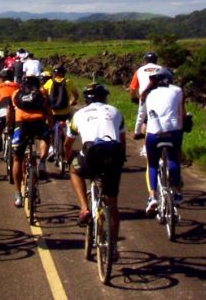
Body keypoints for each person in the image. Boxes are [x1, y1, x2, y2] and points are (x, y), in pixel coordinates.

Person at [65, 83, 126, 259]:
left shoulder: (79, 114)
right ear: (105, 97)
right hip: (113, 156)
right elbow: (122, 143)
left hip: (90, 155)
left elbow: (68, 143)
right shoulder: (115, 112)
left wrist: (68, 157)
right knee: (112, 204)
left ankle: (84, 208)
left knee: (74, 171)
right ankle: (113, 247)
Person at [136, 67, 186, 216]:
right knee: (174, 159)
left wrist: (138, 131)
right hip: (173, 132)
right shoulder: (177, 91)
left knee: (152, 164)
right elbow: (181, 113)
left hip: (153, 134)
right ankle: (177, 192)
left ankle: (152, 197)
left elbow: (141, 115)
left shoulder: (147, 94)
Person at [9, 72, 52, 207]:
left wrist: (10, 127)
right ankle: (42, 162)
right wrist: (49, 127)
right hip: (38, 123)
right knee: (46, 137)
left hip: (21, 126)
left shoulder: (16, 93)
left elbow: (10, 112)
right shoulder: (42, 92)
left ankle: (17, 194)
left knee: (17, 158)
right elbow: (48, 111)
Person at [43, 65, 79, 168]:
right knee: (68, 130)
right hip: (65, 112)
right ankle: (66, 146)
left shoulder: (49, 82)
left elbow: (43, 93)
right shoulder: (68, 82)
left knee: (50, 130)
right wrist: (73, 101)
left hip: (52, 112)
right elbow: (76, 95)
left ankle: (51, 148)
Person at [0, 68, 20, 152]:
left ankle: (0, 137)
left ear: (2, 78)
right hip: (15, 111)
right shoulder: (17, 85)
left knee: (0, 119)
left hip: (2, 110)